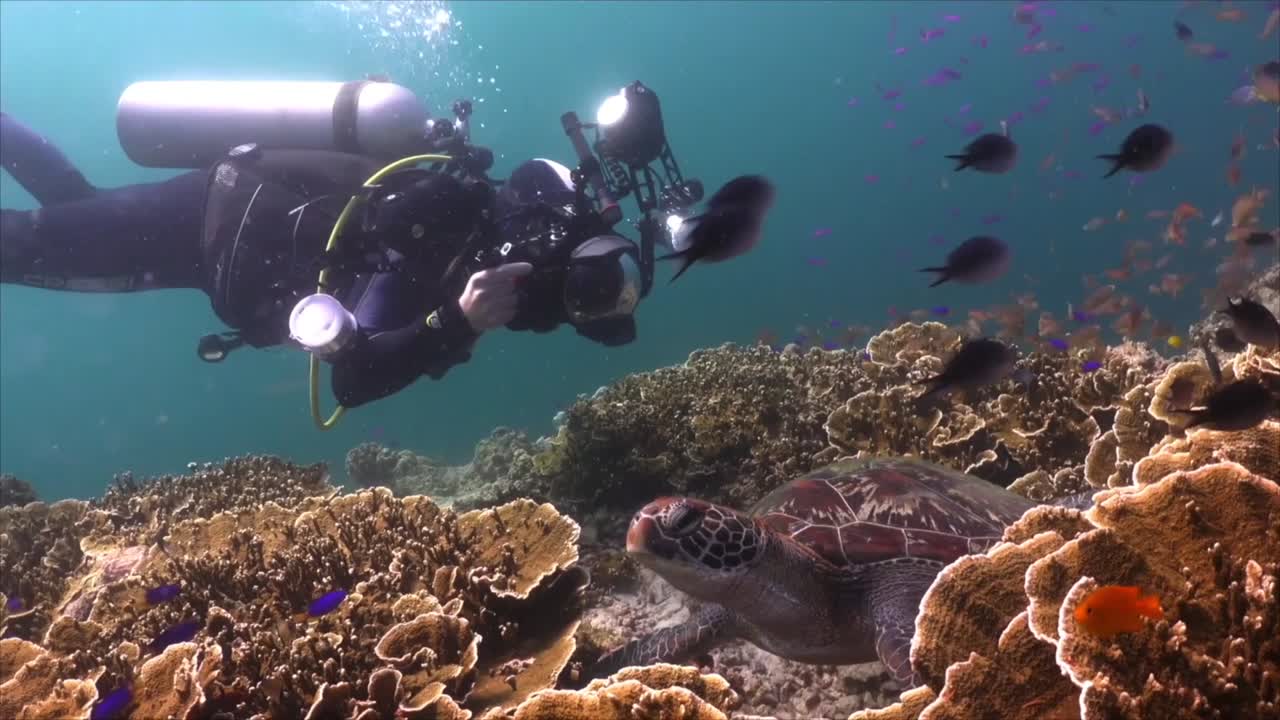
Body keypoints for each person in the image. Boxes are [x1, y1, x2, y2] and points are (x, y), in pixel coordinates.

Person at [0, 110, 644, 412]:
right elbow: (351, 380)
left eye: (584, 313)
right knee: (30, 243)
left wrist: (455, 322)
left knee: (69, 215)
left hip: (217, 240)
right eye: (578, 297)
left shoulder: (467, 221)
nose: (560, 318)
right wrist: (458, 322)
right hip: (211, 223)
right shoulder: (441, 232)